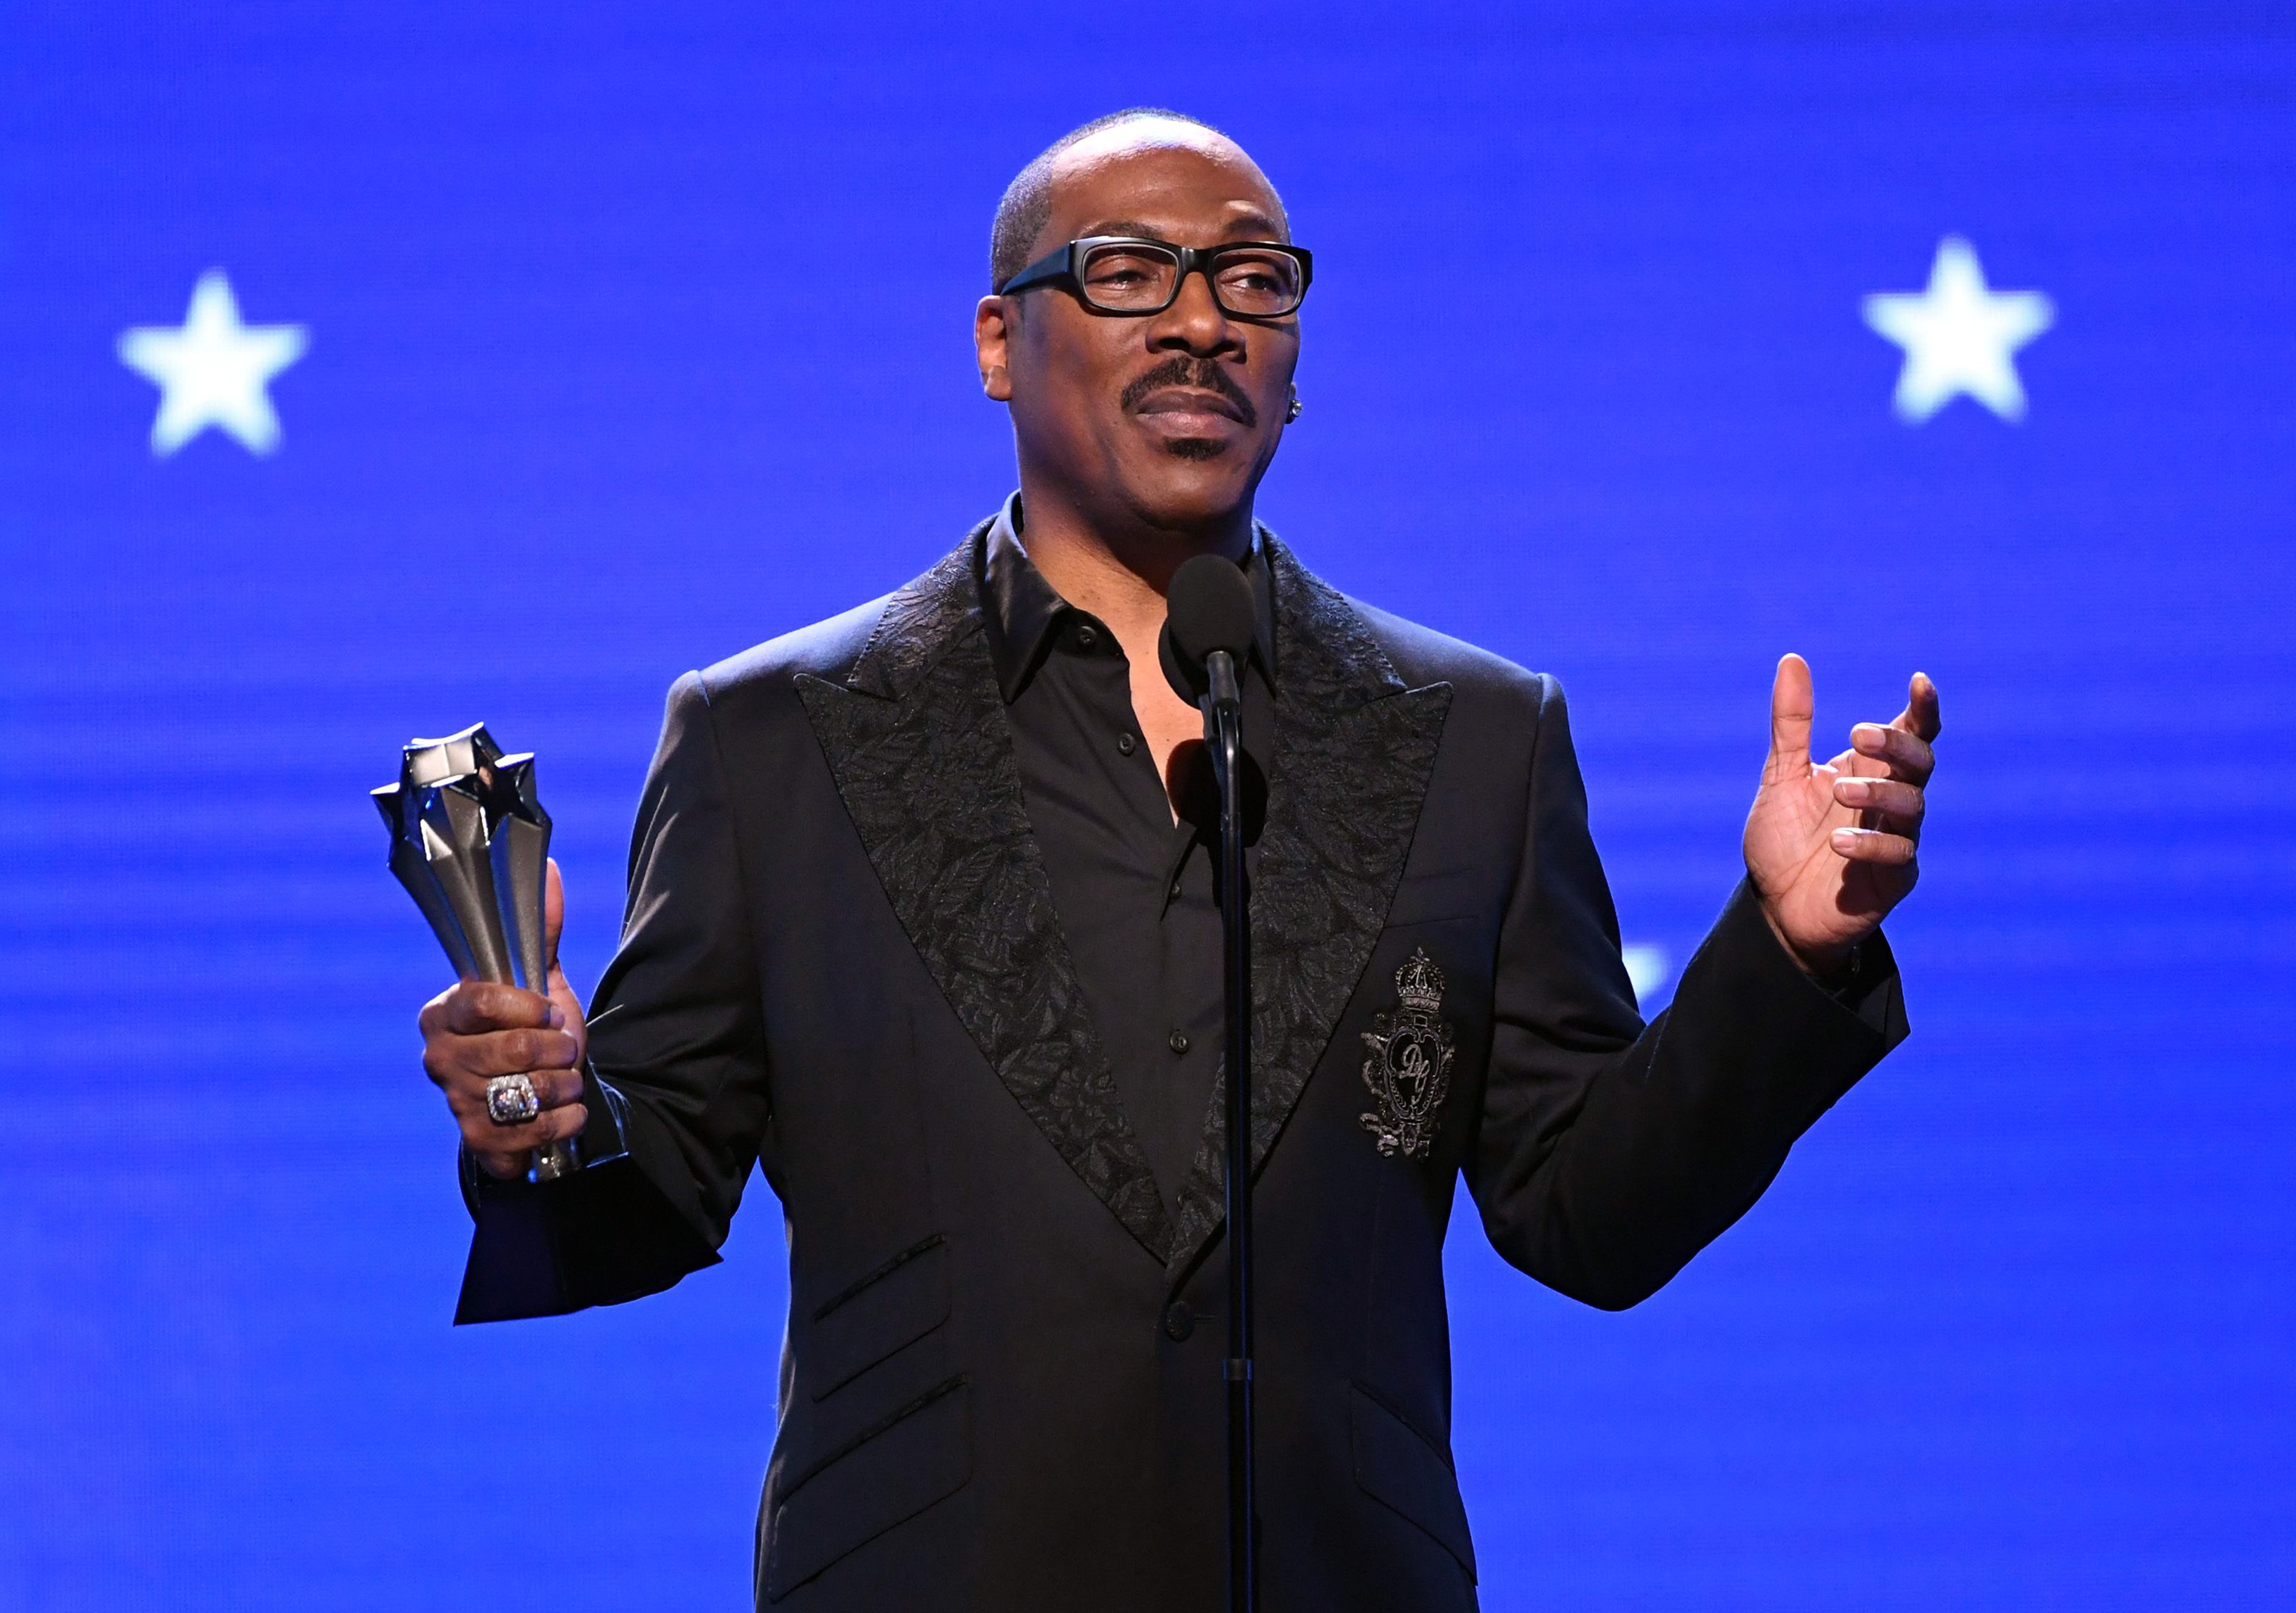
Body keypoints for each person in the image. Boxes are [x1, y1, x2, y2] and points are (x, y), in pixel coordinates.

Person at [417, 108, 1938, 1611]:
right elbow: (649, 1189)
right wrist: (535, 1112)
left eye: (1254, 280)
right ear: (998, 345)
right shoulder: (777, 739)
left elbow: (1594, 1210)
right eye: (1130, 274)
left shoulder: (1477, 737)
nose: (1204, 322)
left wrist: (1787, 952)